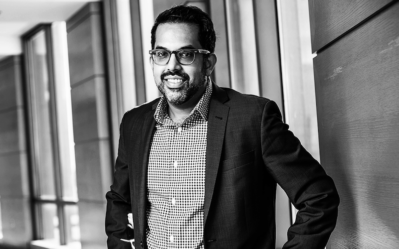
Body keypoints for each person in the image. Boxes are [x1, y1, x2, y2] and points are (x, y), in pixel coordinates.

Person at [105, 5, 339, 249]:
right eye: (161, 54)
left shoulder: (253, 117)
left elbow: (318, 196)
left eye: (186, 55)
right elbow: (120, 199)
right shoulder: (134, 123)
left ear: (208, 63)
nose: (171, 66)